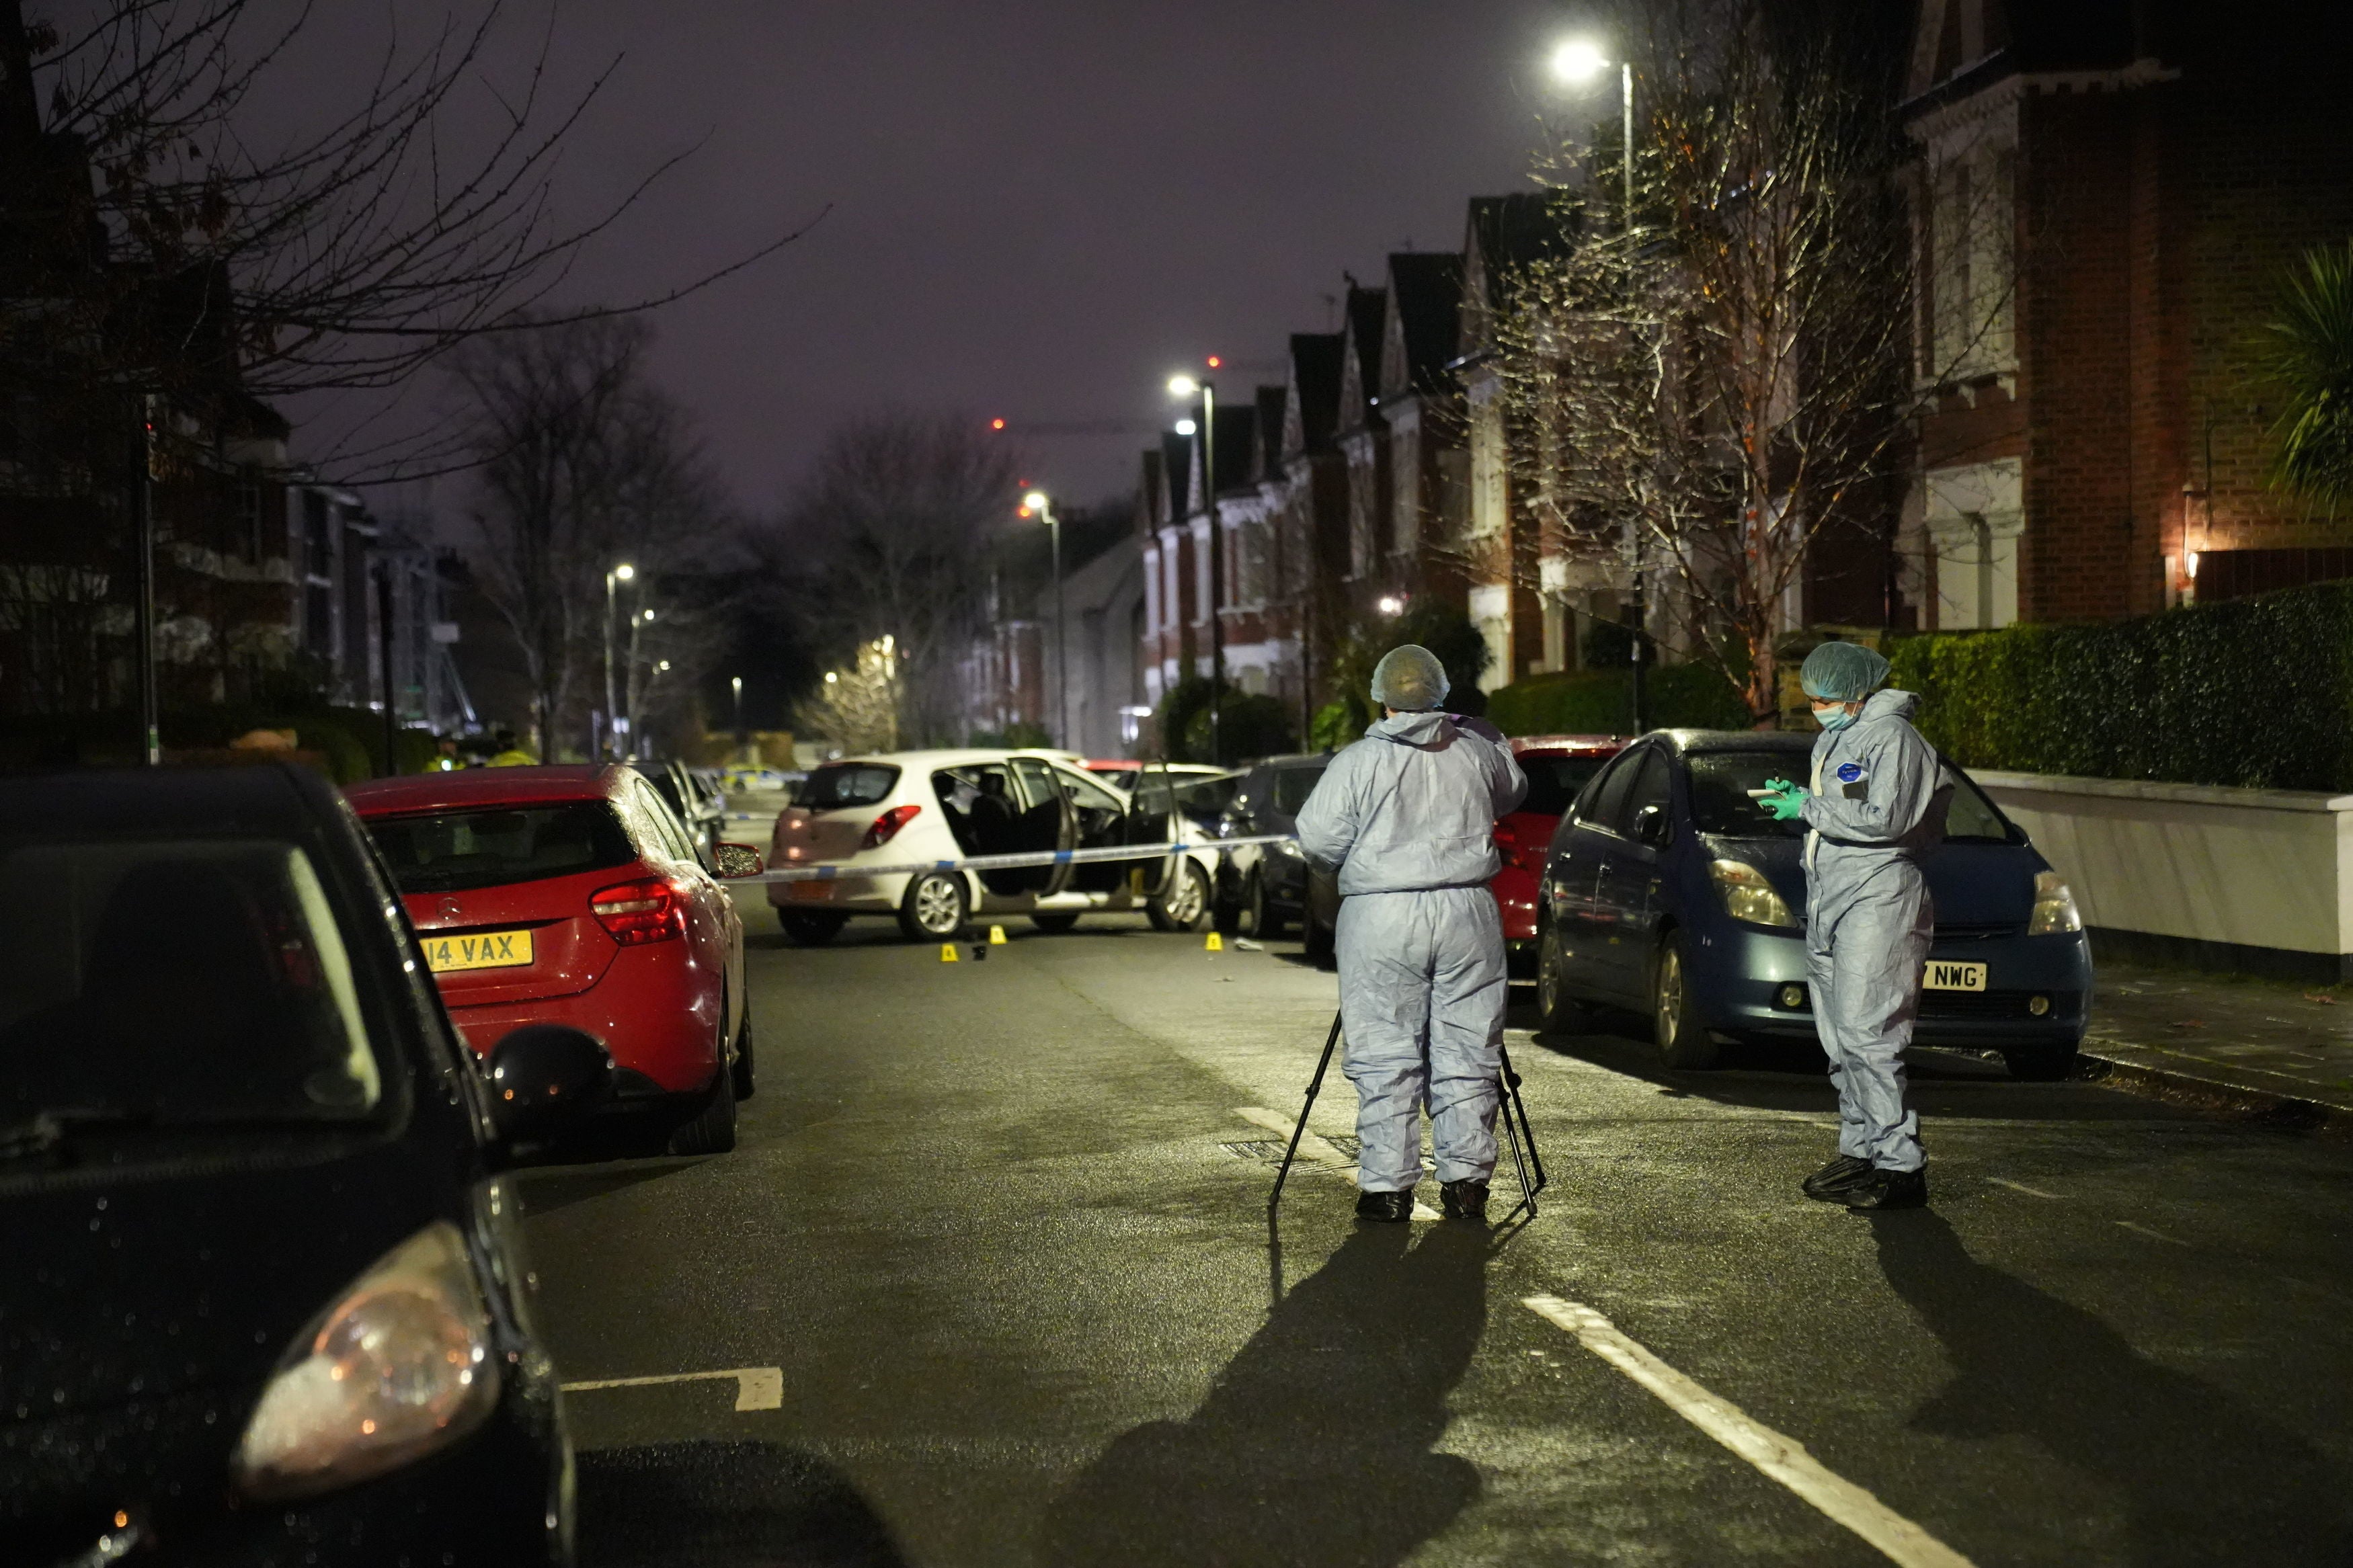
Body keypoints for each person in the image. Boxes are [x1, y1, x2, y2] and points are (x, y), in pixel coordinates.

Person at [1294, 645, 1527, 1224]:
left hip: (1383, 914)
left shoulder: (1356, 762)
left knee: (1385, 1049)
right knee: (1469, 1047)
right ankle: (1467, 1181)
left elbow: (1319, 841)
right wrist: (1481, 732)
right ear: (1442, 694)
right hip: (1467, 910)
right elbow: (1513, 786)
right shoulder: (1474, 750)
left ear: (1382, 698)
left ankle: (1387, 1186)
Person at [1757, 641, 1951, 1211]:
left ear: (1858, 694)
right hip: (1834, 898)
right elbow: (1849, 814)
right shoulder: (1839, 737)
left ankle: (1900, 1164)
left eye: (1825, 697)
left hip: (1880, 897)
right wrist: (1800, 805)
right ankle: (1861, 1149)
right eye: (1812, 697)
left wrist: (1808, 808)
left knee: (1870, 1036)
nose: (1816, 705)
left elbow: (1886, 820)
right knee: (1842, 1041)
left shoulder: (1894, 739)